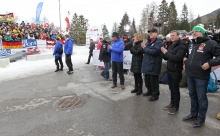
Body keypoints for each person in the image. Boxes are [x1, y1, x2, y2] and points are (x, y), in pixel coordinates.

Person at [183, 25, 220, 127]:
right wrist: (186, 57)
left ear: (202, 33)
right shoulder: (191, 44)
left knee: (201, 98)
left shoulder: (211, 43)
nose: (194, 33)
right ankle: (193, 114)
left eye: (196, 31)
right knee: (192, 95)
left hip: (201, 76)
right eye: (193, 31)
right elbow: (188, 54)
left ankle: (201, 118)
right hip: (190, 74)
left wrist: (210, 63)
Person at [161, 30, 186, 114]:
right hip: (170, 69)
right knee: (171, 88)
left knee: (175, 89)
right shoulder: (171, 45)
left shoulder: (182, 46)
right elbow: (167, 57)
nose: (172, 37)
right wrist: (163, 53)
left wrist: (166, 52)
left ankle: (176, 107)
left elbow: (177, 58)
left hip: (176, 70)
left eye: (173, 35)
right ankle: (172, 103)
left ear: (178, 36)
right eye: (171, 35)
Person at [141, 28, 163, 101]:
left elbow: (154, 52)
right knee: (147, 81)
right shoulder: (148, 42)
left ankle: (155, 94)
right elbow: (144, 51)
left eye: (152, 32)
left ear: (156, 33)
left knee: (153, 81)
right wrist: (143, 48)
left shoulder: (159, 42)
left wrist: (145, 49)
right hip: (147, 64)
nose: (150, 33)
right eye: (149, 32)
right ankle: (149, 91)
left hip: (154, 65)